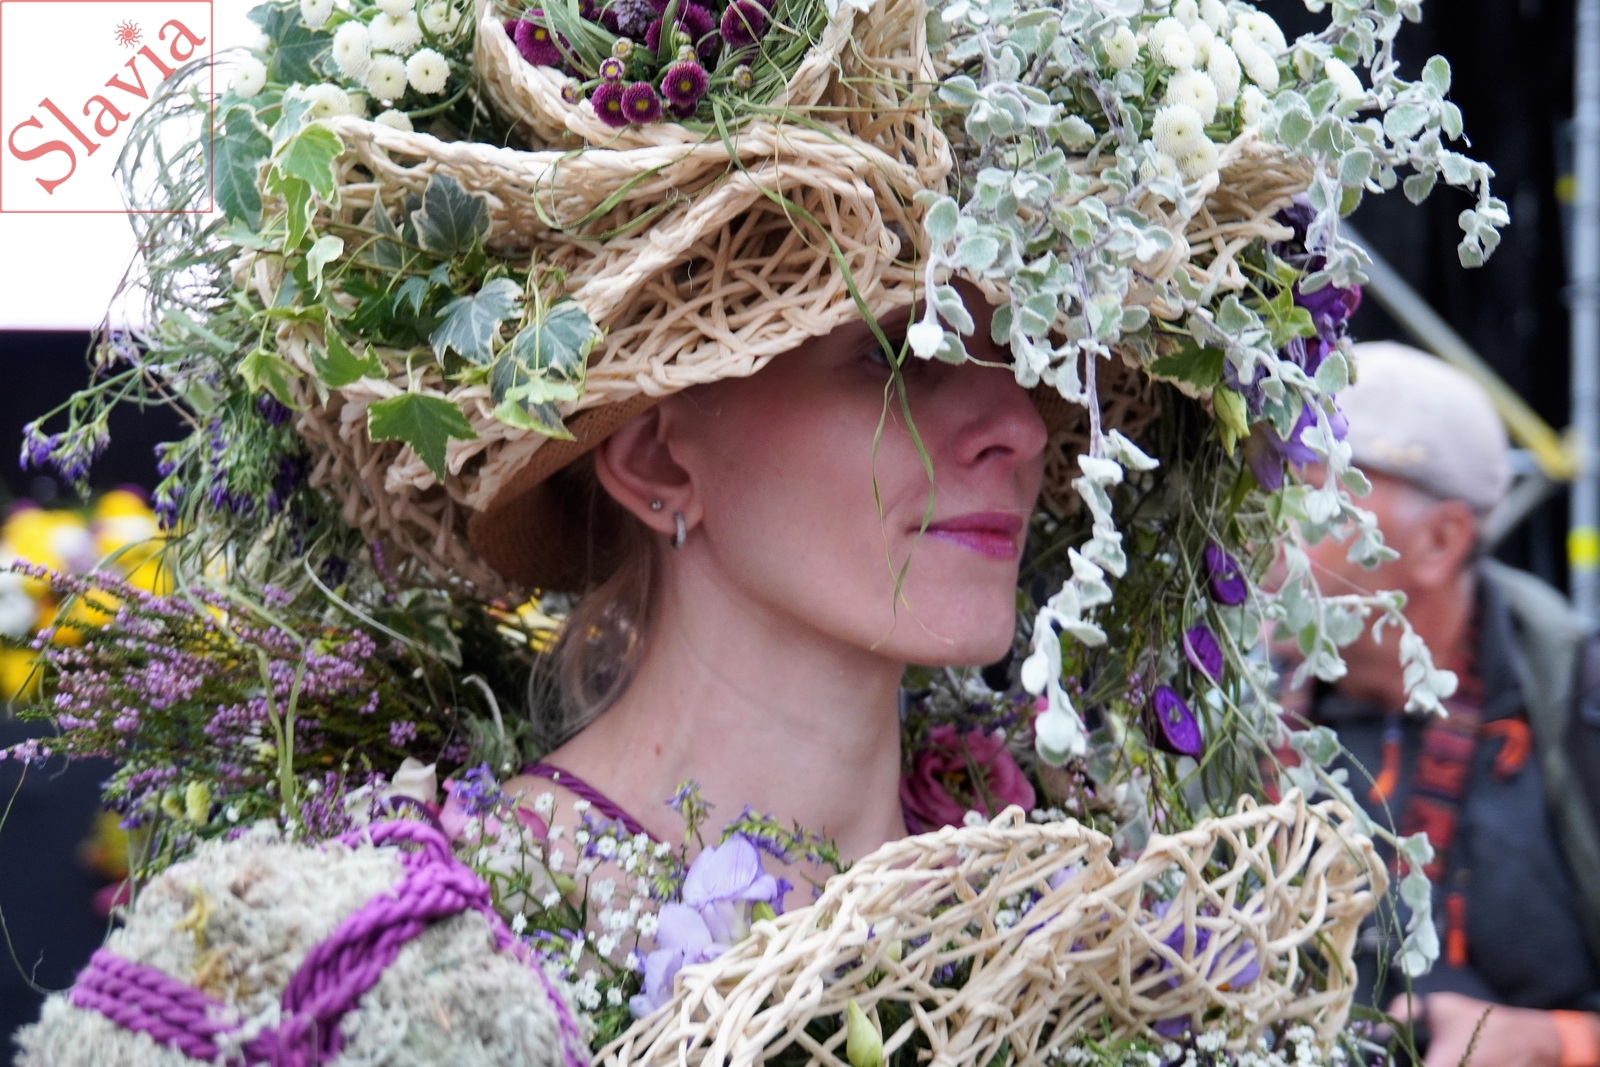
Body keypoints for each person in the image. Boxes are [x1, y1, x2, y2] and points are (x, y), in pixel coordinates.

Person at [493, 283, 1049, 901]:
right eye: (898, 354)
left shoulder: (1065, 910)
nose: (1023, 428)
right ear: (658, 462)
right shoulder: (465, 911)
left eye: (1022, 354)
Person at [1295, 341, 1600, 1066]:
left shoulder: (1574, 704)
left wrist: (1554, 1041)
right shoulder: (1230, 703)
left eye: (1312, 493)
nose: (1265, 529)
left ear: (1441, 541)